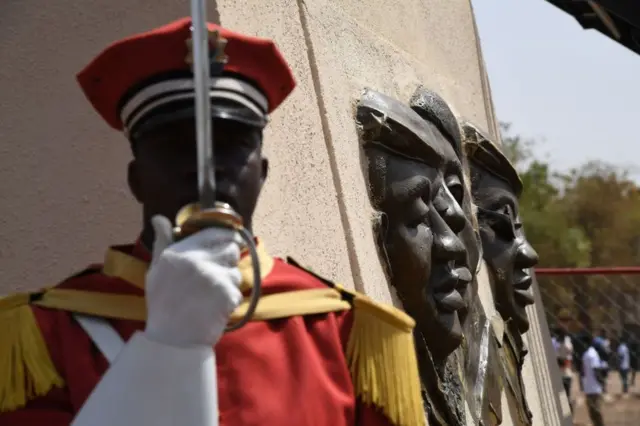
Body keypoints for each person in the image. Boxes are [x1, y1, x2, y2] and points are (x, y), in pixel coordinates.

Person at [0, 18, 425, 426]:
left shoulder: (347, 331)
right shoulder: (42, 334)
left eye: (231, 145)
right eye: (174, 147)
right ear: (135, 179)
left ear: (262, 174)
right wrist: (164, 347)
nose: (206, 170)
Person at [582, 338, 605, 426]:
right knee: (597, 411)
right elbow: (596, 371)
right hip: (595, 388)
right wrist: (602, 383)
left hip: (588, 387)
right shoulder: (594, 355)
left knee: (592, 412)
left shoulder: (585, 354)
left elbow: (583, 372)